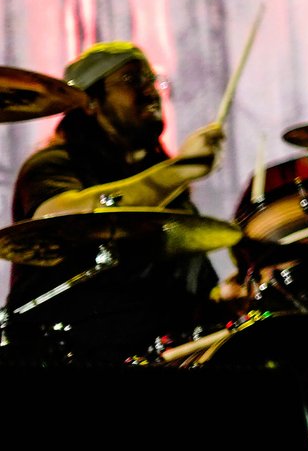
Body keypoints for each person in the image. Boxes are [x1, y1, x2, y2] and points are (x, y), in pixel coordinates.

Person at [6, 41, 228, 358]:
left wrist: (232, 295)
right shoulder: (53, 164)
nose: (151, 91)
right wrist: (177, 171)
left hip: (165, 348)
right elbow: (55, 218)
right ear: (91, 102)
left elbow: (192, 283)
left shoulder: (166, 188)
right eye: (132, 80)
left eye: (153, 81)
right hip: (71, 353)